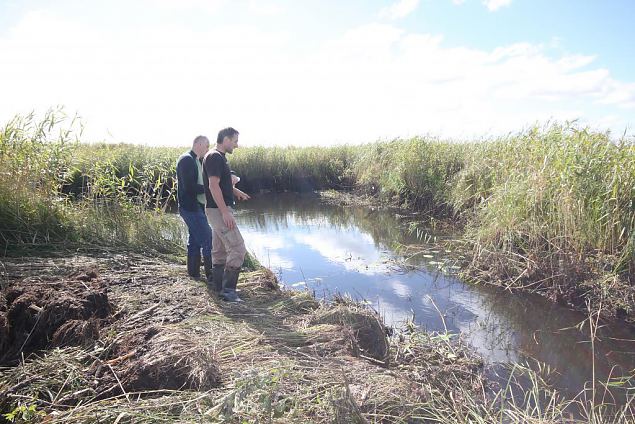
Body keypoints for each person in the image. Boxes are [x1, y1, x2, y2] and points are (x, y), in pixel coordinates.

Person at [203, 127, 250, 302]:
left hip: (215, 210)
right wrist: (225, 212)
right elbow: (213, 185)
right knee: (238, 249)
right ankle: (228, 291)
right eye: (235, 141)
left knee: (219, 250)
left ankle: (218, 286)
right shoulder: (215, 156)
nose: (237, 145)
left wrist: (235, 191)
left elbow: (221, 184)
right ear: (226, 139)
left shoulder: (217, 156)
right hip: (218, 211)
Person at [176, 135, 213, 283]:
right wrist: (210, 189)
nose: (207, 149)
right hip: (190, 207)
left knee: (195, 240)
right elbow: (189, 187)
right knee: (208, 238)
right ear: (198, 144)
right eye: (206, 145)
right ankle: (212, 276)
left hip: (194, 206)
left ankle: (194, 274)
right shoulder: (186, 160)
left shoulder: (196, 160)